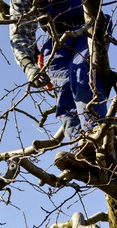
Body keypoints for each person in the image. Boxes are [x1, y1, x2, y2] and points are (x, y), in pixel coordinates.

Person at [9, 0, 110, 144]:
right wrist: (28, 66)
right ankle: (79, 148)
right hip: (57, 40)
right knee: (63, 90)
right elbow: (20, 30)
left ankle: (96, 135)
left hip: (89, 27)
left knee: (82, 74)